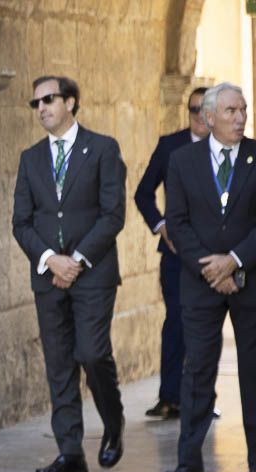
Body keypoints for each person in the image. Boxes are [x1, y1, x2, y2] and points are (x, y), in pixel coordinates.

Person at [12, 75, 127, 472]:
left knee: (92, 354)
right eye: (35, 103)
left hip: (92, 274)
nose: (41, 107)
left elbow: (113, 214)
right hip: (48, 277)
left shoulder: (102, 149)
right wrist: (49, 259)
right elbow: (20, 222)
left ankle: (113, 424)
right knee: (59, 364)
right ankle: (70, 452)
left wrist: (75, 260)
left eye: (49, 99)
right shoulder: (30, 159)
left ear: (71, 102)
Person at [161, 82, 256, 472]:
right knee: (197, 369)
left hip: (248, 280)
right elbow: (176, 223)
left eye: (244, 110)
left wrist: (234, 262)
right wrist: (210, 268)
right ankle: (189, 464)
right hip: (200, 283)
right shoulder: (182, 161)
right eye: (232, 111)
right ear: (210, 117)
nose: (240, 118)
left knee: (252, 371)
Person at [134, 87, 210, 420]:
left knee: (207, 326)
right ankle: (170, 397)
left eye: (203, 109)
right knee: (176, 320)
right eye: (192, 109)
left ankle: (203, 397)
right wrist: (161, 225)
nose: (197, 115)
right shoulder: (170, 145)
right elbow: (142, 194)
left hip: (214, 254)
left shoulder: (232, 149)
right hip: (176, 253)